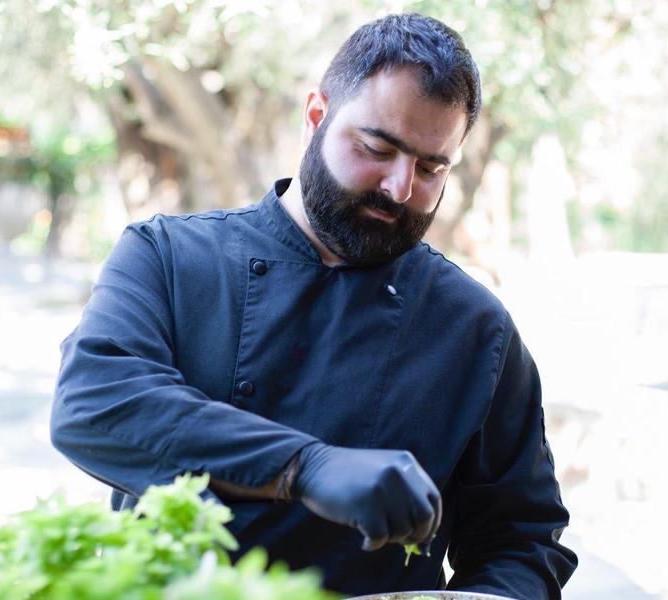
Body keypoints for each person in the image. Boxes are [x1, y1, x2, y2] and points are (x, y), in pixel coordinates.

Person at [51, 13, 577, 599]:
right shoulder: (170, 257)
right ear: (315, 117)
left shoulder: (476, 328)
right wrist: (306, 467)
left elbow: (521, 539)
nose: (400, 187)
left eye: (432, 167)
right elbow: (95, 403)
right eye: (378, 147)